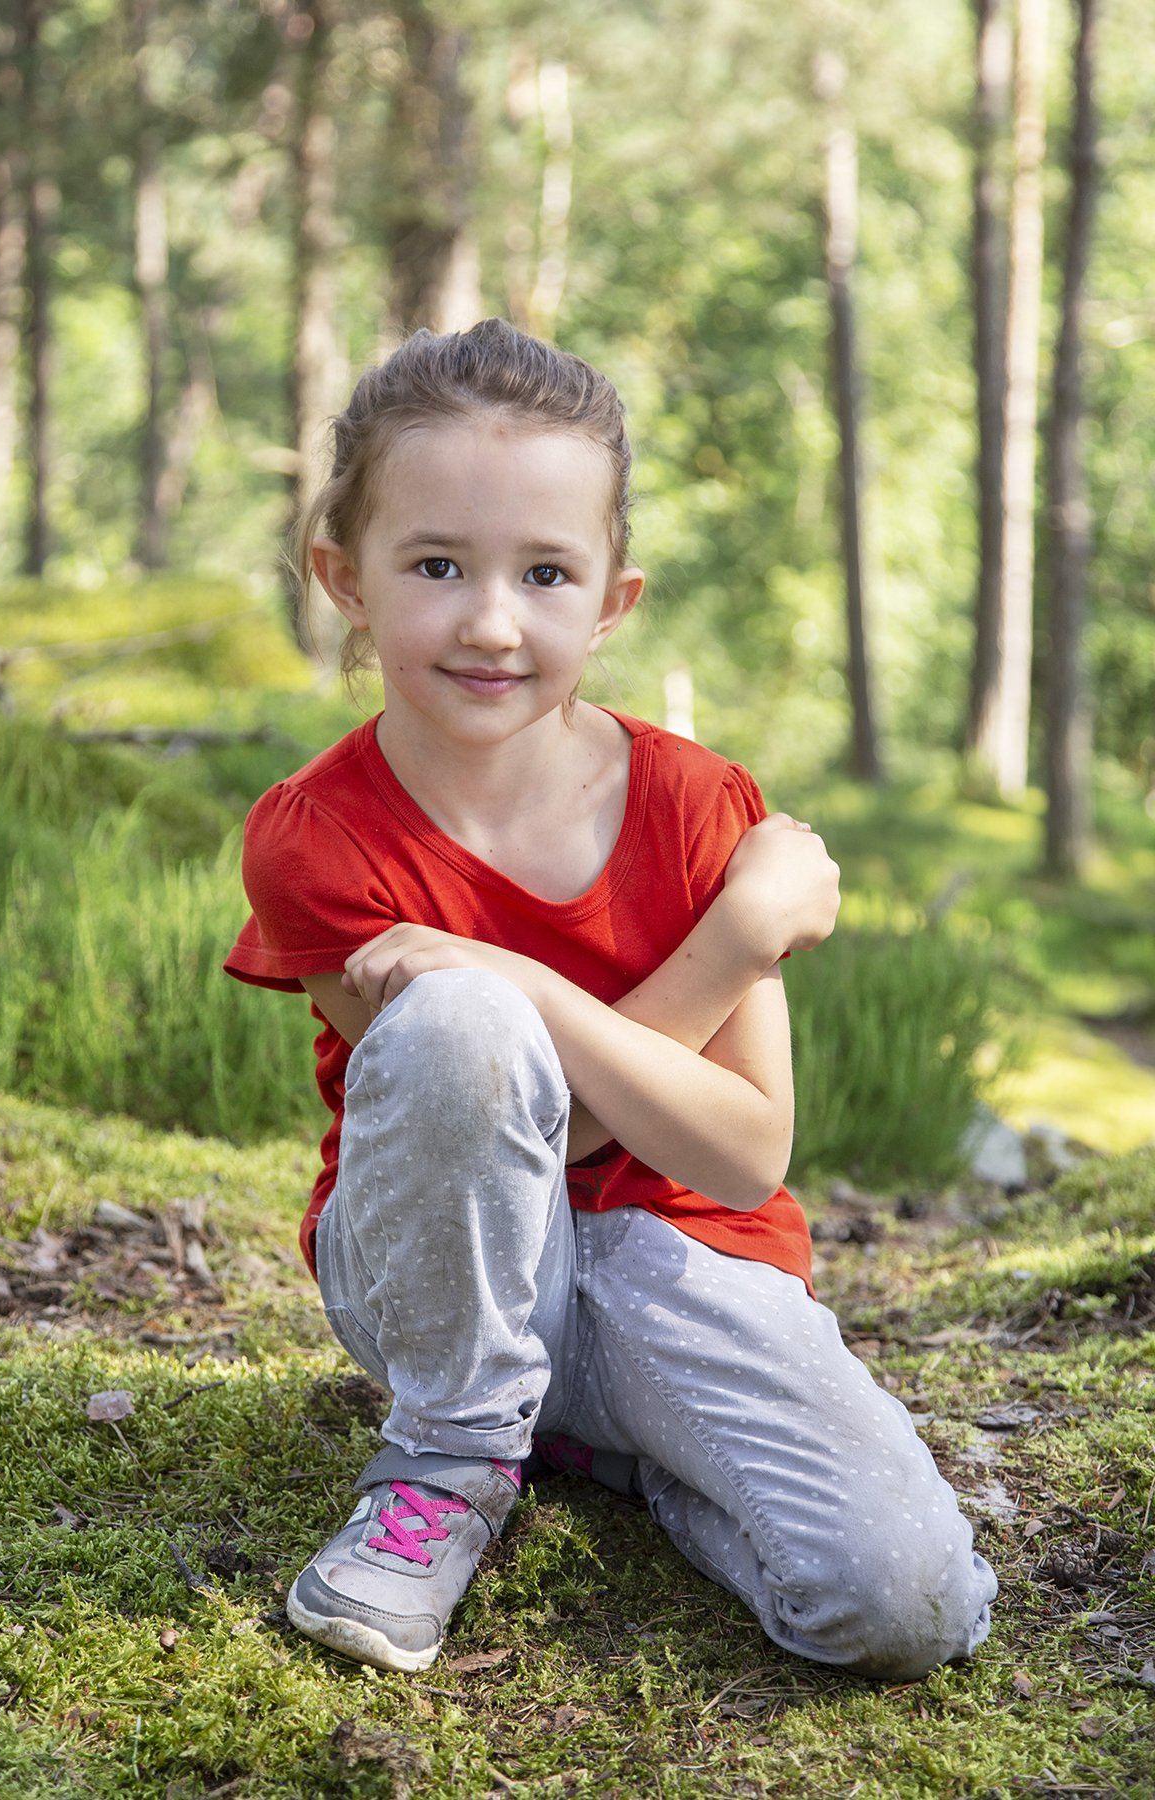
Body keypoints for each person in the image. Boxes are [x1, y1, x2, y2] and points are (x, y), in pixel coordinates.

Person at [225, 318, 996, 1681]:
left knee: (902, 1608)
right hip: (435, 1279)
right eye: (439, 564)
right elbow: (513, 1134)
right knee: (458, 1027)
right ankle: (453, 1463)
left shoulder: (704, 811)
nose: (492, 620)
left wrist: (525, 973)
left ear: (613, 601)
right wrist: (726, 945)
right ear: (344, 576)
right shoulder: (316, 839)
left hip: (679, 1265)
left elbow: (746, 1147)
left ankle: (611, 1452)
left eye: (546, 573)